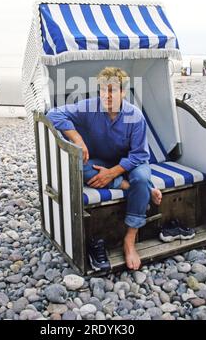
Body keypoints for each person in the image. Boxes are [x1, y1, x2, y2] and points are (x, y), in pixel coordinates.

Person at [46, 67, 162, 271]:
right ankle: (131, 188)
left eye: (113, 91)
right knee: (79, 167)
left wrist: (113, 172)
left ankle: (129, 239)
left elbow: (140, 155)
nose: (106, 96)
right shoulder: (90, 107)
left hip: (131, 162)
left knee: (142, 178)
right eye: (102, 90)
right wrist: (77, 138)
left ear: (123, 93)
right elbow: (53, 114)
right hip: (101, 161)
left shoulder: (134, 116)